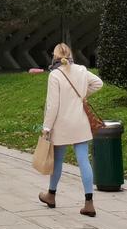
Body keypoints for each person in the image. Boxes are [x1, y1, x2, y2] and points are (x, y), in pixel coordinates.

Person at [39, 43, 103, 216]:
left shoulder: (55, 75)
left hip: (61, 124)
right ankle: (89, 203)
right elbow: (98, 83)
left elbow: (53, 105)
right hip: (80, 122)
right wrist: (83, 95)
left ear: (55, 56)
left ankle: (51, 195)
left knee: (58, 161)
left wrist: (46, 127)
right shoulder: (82, 70)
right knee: (84, 160)